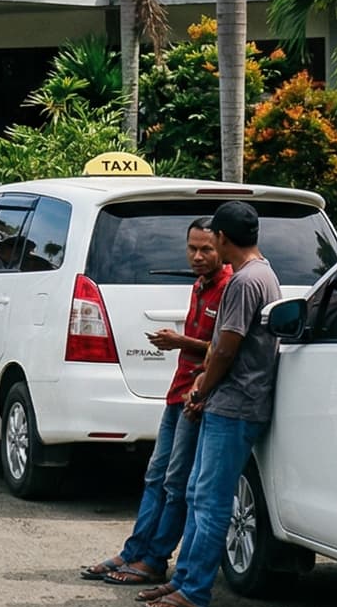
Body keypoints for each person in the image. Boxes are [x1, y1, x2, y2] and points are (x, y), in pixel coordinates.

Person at [138, 202, 284, 607]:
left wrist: (203, 387)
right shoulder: (261, 274)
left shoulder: (244, 281)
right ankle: (183, 580)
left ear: (221, 238)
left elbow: (226, 346)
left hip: (236, 403)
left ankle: (195, 588)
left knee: (212, 500)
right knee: (198, 493)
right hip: (231, 400)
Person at [82, 219, 231, 588]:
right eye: (192, 248)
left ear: (222, 248)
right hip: (176, 391)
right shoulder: (200, 286)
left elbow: (226, 349)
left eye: (206, 249)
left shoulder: (230, 287)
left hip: (197, 397)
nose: (197, 256)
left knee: (176, 483)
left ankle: (154, 559)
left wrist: (181, 342)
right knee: (156, 476)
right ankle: (135, 550)